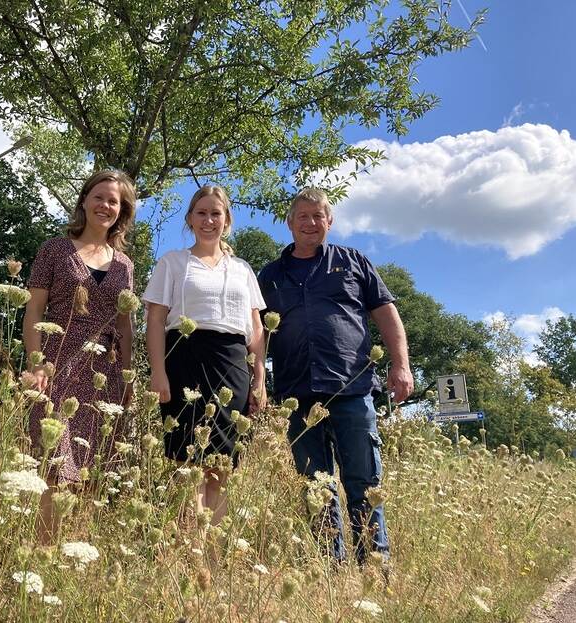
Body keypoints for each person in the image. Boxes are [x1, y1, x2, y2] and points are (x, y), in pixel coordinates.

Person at [258, 187, 413, 564]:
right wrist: (257, 381)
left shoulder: (354, 262)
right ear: (290, 223)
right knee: (316, 487)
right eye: (303, 217)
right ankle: (330, 570)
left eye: (318, 216)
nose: (311, 223)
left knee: (364, 482)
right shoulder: (269, 275)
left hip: (352, 389)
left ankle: (374, 567)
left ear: (329, 221)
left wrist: (401, 364)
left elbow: (387, 315)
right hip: (298, 393)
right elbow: (258, 333)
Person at [144, 184, 266, 528]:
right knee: (189, 462)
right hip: (184, 360)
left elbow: (256, 330)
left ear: (226, 220)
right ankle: (189, 548)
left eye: (216, 213)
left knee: (222, 465)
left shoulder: (242, 269)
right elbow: (155, 320)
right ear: (190, 219)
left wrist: (260, 378)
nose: (209, 220)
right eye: (201, 213)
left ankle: (213, 555)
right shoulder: (172, 263)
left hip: (232, 365)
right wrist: (158, 372)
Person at [23, 169, 136, 541]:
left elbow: (124, 325)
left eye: (114, 202)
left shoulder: (125, 266)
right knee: (55, 465)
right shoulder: (53, 249)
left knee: (92, 469)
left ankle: (73, 556)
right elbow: (34, 312)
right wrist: (36, 362)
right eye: (99, 197)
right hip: (56, 362)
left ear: (122, 212)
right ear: (85, 201)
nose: (105, 206)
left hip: (105, 369)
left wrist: (129, 378)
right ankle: (42, 551)